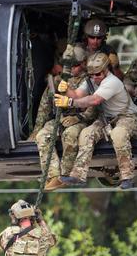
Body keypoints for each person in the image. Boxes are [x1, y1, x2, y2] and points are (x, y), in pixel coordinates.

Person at [54, 52, 137, 190]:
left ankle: (127, 176)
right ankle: (78, 175)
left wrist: (70, 102)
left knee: (118, 134)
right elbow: (77, 95)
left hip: (127, 117)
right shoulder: (91, 80)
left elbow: (94, 100)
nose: (95, 78)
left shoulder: (112, 82)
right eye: (91, 74)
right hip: (106, 119)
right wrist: (67, 90)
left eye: (98, 74)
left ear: (106, 70)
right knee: (87, 133)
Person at [31, 48, 96, 191]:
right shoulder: (57, 80)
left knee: (70, 135)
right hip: (60, 118)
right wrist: (37, 129)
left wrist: (78, 117)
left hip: (81, 120)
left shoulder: (89, 82)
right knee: (43, 136)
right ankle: (53, 175)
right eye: (69, 65)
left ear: (84, 63)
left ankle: (65, 174)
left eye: (76, 65)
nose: (72, 69)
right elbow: (45, 106)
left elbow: (95, 106)